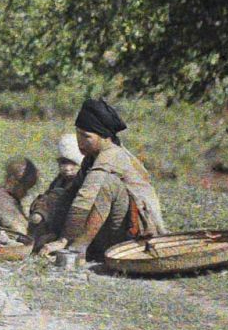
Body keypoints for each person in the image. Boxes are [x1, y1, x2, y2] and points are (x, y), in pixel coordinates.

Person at [38, 98, 166, 261]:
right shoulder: (92, 157)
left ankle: (79, 248)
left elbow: (85, 198)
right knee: (60, 192)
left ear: (105, 137)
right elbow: (71, 194)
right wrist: (56, 232)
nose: (80, 142)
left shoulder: (112, 155)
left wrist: (66, 240)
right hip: (111, 228)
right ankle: (62, 239)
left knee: (107, 185)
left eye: (86, 136)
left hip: (135, 235)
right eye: (78, 134)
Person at [27, 133, 87, 250]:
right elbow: (48, 196)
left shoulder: (83, 180)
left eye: (73, 163)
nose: (67, 168)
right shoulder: (60, 179)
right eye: (63, 163)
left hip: (72, 225)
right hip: (55, 221)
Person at [0, 157, 40, 237]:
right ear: (12, 181)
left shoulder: (11, 198)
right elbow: (19, 230)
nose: (26, 193)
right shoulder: (0, 199)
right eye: (25, 187)